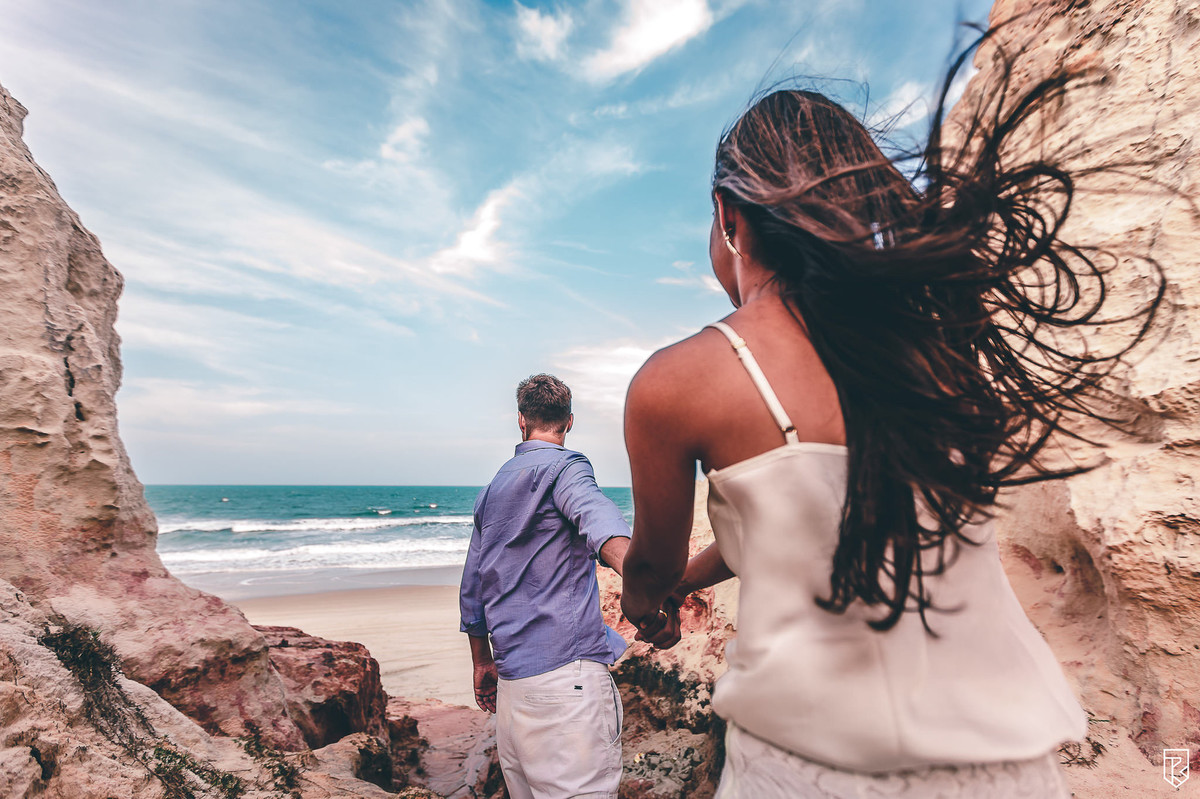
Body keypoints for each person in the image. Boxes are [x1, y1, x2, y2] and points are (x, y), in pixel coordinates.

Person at [617, 35, 1163, 799]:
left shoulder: (677, 382)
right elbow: (817, 515)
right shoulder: (933, 352)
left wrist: (652, 595)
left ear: (727, 215)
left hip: (812, 768)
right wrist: (694, 577)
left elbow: (650, 567)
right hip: (1005, 765)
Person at [460, 373, 631, 799]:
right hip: (566, 682)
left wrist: (483, 664)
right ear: (569, 422)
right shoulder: (567, 467)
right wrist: (648, 580)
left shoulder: (490, 491)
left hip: (513, 693)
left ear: (521, 420)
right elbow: (601, 524)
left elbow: (473, 589)